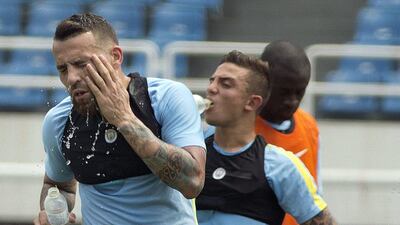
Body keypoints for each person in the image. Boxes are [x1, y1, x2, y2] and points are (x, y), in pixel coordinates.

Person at [33, 13, 206, 225]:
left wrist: (124, 119)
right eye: (63, 69)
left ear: (115, 57)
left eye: (81, 64)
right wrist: (52, 211)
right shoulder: (58, 121)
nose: (71, 78)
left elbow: (193, 182)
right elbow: (59, 185)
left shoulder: (166, 98)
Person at [196, 50, 337, 225]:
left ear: (252, 102)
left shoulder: (280, 166)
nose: (211, 88)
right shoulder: (190, 149)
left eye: (225, 84)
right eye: (212, 81)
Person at [255, 40, 321, 225]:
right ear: (263, 80)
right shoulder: (238, 128)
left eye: (299, 93)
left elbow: (316, 194)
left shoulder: (309, 126)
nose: (292, 101)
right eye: (283, 92)